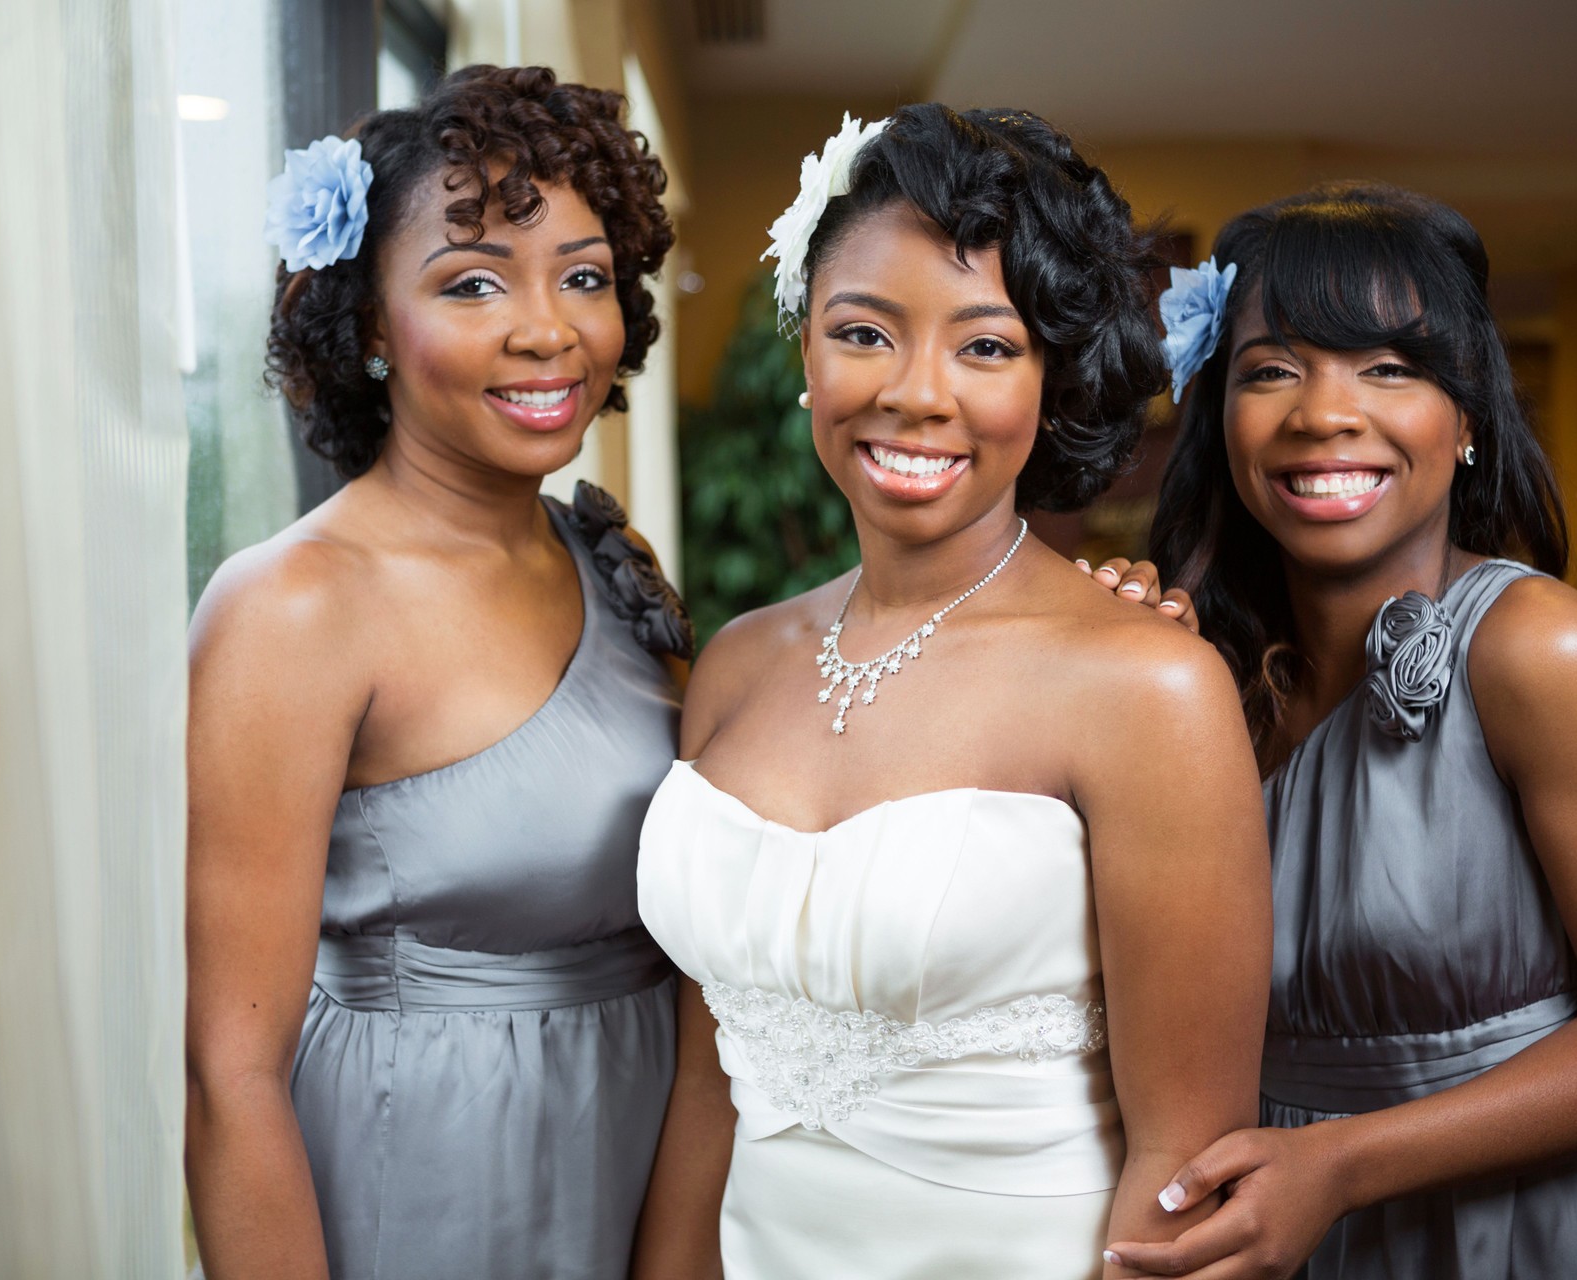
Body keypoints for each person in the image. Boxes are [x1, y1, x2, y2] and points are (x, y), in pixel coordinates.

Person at [629, 105, 1273, 1280]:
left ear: (1053, 377)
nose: (916, 393)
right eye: (864, 332)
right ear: (807, 347)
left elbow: (1186, 1165)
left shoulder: (1148, 683)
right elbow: (704, 1092)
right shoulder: (734, 663)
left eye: (985, 346)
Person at [1103, 183, 1577, 1279]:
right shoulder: (1191, 674)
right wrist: (1099, 662)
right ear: (1220, 415)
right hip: (1265, 1234)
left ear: (1470, 417)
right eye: (1271, 369)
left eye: (1388, 368)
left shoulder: (1543, 652)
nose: (1323, 412)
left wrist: (1341, 1164)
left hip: (1511, 1234)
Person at [185, 65, 691, 1280]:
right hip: (424, 1180)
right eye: (473, 282)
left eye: (584, 275)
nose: (547, 328)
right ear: (366, 320)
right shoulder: (296, 605)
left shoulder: (614, 557)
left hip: (641, 1167)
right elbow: (228, 1076)